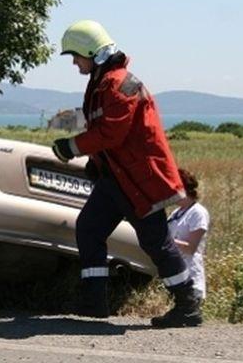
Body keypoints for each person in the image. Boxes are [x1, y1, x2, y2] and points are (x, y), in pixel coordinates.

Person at [51, 20, 202, 327]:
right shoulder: (104, 82)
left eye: (76, 56)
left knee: (155, 241)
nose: (75, 63)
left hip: (138, 182)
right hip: (118, 180)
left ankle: (187, 304)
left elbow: (110, 133)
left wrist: (71, 146)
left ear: (93, 52)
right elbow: (103, 131)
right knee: (90, 228)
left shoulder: (120, 84)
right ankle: (95, 302)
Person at [167, 169, 210, 301]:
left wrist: (166, 242)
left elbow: (191, 248)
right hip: (176, 276)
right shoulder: (176, 213)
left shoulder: (198, 213)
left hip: (191, 276)